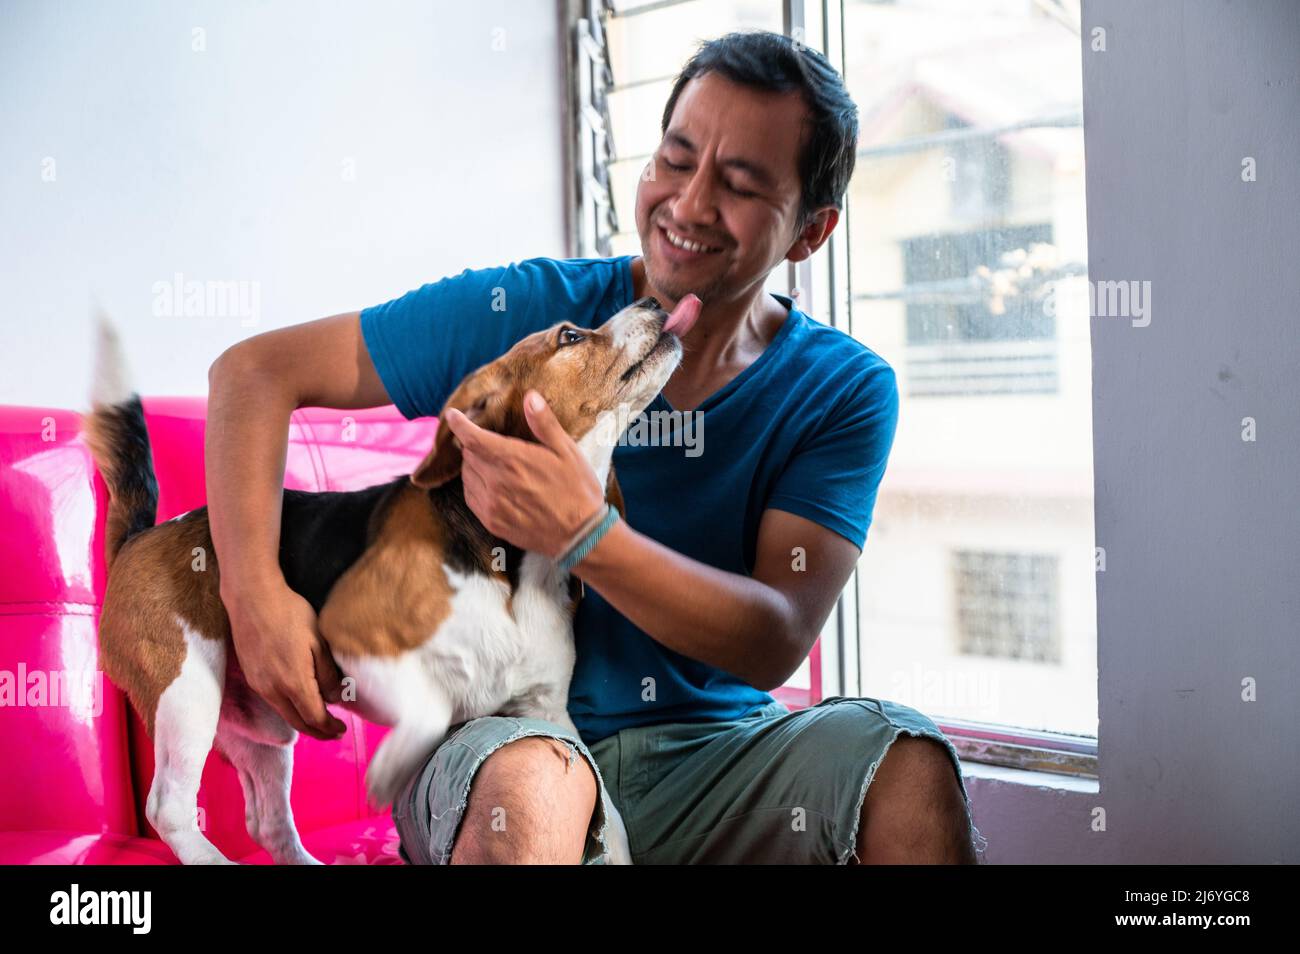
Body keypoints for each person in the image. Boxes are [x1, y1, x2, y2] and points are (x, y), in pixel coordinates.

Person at [206, 30, 986, 864]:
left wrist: (585, 536)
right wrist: (254, 598)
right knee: (536, 785)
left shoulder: (843, 389)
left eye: (740, 184)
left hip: (720, 760)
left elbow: (776, 635)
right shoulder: (532, 316)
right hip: (503, 743)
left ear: (810, 232)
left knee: (909, 765)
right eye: (675, 159)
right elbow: (253, 374)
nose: (686, 205)